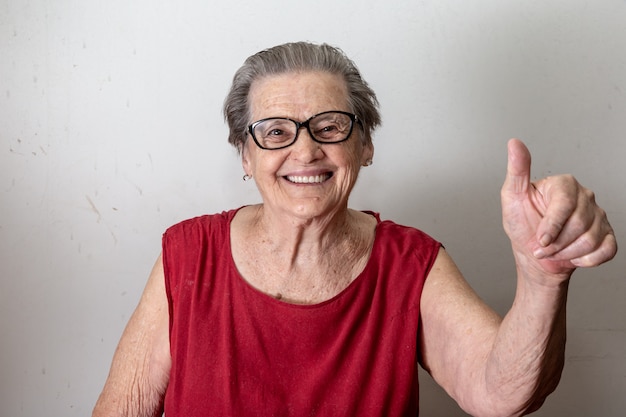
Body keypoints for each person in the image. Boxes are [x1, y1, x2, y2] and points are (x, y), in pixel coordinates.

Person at [92, 42, 617, 417]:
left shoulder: (411, 263)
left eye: (329, 127)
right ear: (245, 155)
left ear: (365, 146)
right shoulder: (189, 255)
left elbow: (501, 396)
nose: (305, 150)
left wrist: (542, 277)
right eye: (275, 132)